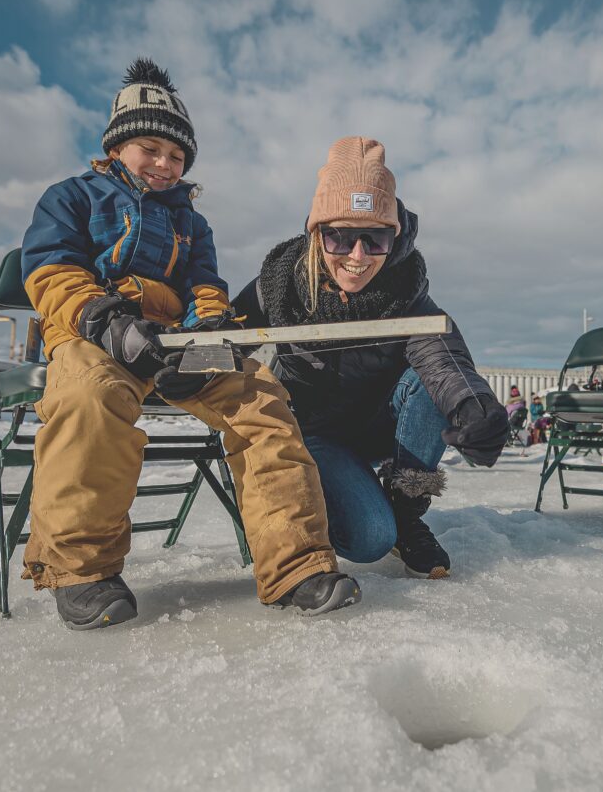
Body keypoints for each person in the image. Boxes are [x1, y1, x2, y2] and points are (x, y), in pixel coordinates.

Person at [20, 58, 358, 629]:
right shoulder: (71, 197)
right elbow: (50, 271)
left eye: (176, 156)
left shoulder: (192, 225)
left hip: (172, 341)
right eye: (151, 148)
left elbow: (205, 286)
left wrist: (209, 332)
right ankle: (82, 571)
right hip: (92, 331)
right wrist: (106, 320)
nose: (164, 163)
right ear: (118, 146)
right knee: (88, 397)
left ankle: (296, 563)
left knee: (261, 395)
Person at [233, 136, 508, 579]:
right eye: (340, 237)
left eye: (375, 238)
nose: (357, 256)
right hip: (318, 434)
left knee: (428, 385)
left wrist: (474, 408)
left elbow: (443, 358)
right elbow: (222, 341)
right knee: (369, 539)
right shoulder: (279, 284)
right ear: (317, 232)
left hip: (383, 426)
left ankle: (405, 512)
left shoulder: (405, 289)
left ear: (393, 237)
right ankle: (357, 507)